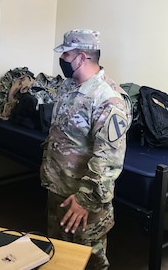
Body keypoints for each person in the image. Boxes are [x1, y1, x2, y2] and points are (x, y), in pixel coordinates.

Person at [40, 29, 132, 269]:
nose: (62, 60)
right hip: (58, 190)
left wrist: (85, 200)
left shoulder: (108, 99)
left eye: (66, 55)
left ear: (81, 57)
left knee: (89, 260)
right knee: (58, 256)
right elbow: (60, 134)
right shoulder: (68, 87)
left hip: (83, 201)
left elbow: (109, 159)